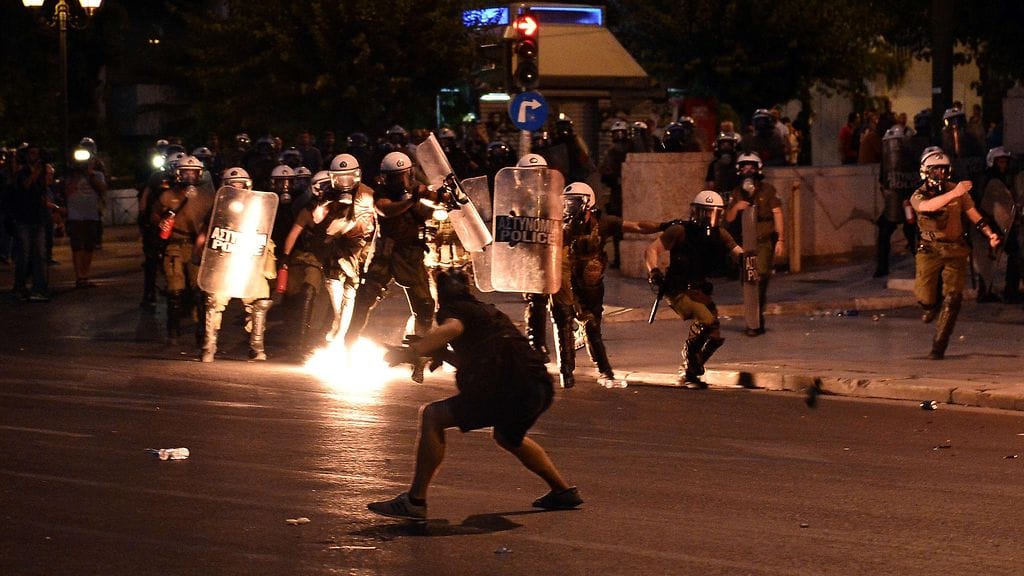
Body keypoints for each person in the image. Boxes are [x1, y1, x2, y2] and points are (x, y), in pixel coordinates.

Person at [369, 268, 583, 521]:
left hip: (506, 389)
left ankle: (415, 501)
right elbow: (486, 356)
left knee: (432, 415)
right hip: (536, 387)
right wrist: (443, 354)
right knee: (507, 436)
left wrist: (411, 351)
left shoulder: (454, 311)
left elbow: (452, 328)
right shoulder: (487, 311)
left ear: (440, 293)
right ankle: (562, 491)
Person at [344, 151, 439, 383]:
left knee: (425, 305)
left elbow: (437, 200)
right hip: (386, 253)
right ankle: (348, 346)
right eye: (394, 176)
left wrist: (443, 196)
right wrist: (412, 200)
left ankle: (418, 356)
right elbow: (386, 210)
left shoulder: (419, 189)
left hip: (410, 254)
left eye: (403, 175)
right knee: (364, 299)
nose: (400, 181)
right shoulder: (384, 194)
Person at [559, 182, 660, 385]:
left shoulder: (603, 223)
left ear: (588, 203)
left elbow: (637, 226)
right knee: (566, 322)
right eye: (567, 202)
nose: (570, 207)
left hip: (592, 285)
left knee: (593, 327)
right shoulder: (559, 225)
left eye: (575, 202)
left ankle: (603, 370)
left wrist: (664, 226)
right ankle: (569, 371)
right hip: (569, 281)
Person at [645, 190, 743, 387]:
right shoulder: (680, 231)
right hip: (678, 289)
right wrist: (653, 271)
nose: (708, 217)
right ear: (695, 212)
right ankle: (690, 357)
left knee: (714, 335)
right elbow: (652, 249)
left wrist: (747, 262)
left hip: (699, 289)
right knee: (706, 320)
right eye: (704, 212)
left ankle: (691, 372)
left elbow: (738, 252)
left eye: (712, 213)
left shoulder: (720, 234)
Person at [911, 151, 1001, 359]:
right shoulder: (919, 194)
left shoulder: (957, 191)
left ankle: (938, 347)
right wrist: (955, 193)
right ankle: (930, 305)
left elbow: (973, 213)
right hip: (930, 249)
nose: (940, 173)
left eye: (943, 169)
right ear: (926, 172)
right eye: (936, 169)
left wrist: (990, 234)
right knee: (924, 296)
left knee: (953, 299)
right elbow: (927, 207)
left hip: (955, 248)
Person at [280, 155, 377, 346]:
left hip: (360, 250)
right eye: (340, 178)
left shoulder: (367, 194)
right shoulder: (328, 196)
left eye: (348, 177)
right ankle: (337, 323)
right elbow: (316, 220)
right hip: (335, 250)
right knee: (334, 287)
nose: (344, 182)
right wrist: (324, 202)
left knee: (352, 291)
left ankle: (342, 332)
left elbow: (377, 220)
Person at [199, 168, 277, 362]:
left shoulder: (257, 206)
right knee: (213, 300)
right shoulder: (217, 208)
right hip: (223, 261)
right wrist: (198, 254)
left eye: (240, 184)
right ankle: (209, 346)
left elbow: (263, 232)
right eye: (232, 185)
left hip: (248, 260)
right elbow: (205, 232)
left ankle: (257, 346)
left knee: (260, 300)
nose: (237, 188)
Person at [151, 155, 216, 344]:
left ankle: (202, 330)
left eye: (193, 172)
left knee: (199, 290)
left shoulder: (207, 196)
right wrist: (161, 221)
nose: (189, 175)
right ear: (177, 173)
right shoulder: (167, 195)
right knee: (175, 288)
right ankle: (173, 329)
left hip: (197, 244)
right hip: (175, 244)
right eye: (185, 172)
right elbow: (154, 214)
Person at [723, 152, 784, 336]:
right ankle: (753, 322)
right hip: (746, 242)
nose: (747, 170)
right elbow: (729, 218)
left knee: (761, 275)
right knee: (748, 281)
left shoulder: (768, 190)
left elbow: (778, 213)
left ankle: (757, 318)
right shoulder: (736, 192)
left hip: (764, 241)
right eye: (744, 166)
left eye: (751, 166)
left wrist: (781, 239)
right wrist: (736, 207)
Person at [10, 145, 51, 301]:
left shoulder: (41, 174)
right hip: (24, 219)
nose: (35, 156)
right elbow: (25, 186)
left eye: (37, 153)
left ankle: (39, 288)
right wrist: (36, 173)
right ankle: (19, 286)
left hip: (38, 218)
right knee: (24, 255)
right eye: (33, 153)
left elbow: (43, 192)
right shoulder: (21, 173)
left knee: (40, 255)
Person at [63, 151, 107, 288]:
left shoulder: (97, 175)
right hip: (75, 215)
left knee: (89, 246)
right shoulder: (71, 176)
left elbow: (103, 189)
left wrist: (89, 174)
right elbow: (67, 192)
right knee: (77, 246)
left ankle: (85, 275)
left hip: (91, 214)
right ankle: (79, 277)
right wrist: (77, 175)